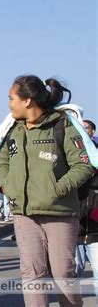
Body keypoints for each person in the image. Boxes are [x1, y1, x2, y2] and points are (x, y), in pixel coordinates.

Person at [0, 75, 95, 307]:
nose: (9, 104)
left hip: (60, 212)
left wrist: (57, 189)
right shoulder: (13, 129)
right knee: (32, 275)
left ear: (27, 101)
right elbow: (1, 159)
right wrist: (6, 185)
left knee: (63, 274)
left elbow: (83, 165)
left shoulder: (62, 124)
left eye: (12, 98)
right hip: (24, 213)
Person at [76, 118, 98, 301]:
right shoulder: (69, 152)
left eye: (87, 128)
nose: (84, 130)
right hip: (73, 223)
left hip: (95, 225)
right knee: (73, 271)